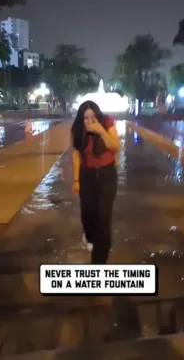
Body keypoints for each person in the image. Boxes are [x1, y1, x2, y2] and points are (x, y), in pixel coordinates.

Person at [71, 101, 121, 264]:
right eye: (86, 118)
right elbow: (76, 155)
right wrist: (76, 180)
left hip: (107, 175)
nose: (89, 121)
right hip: (87, 176)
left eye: (93, 117)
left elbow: (115, 146)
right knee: (88, 215)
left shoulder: (106, 122)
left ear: (98, 116)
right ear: (81, 119)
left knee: (103, 217)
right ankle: (90, 236)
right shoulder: (77, 129)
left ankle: (99, 263)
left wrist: (101, 131)